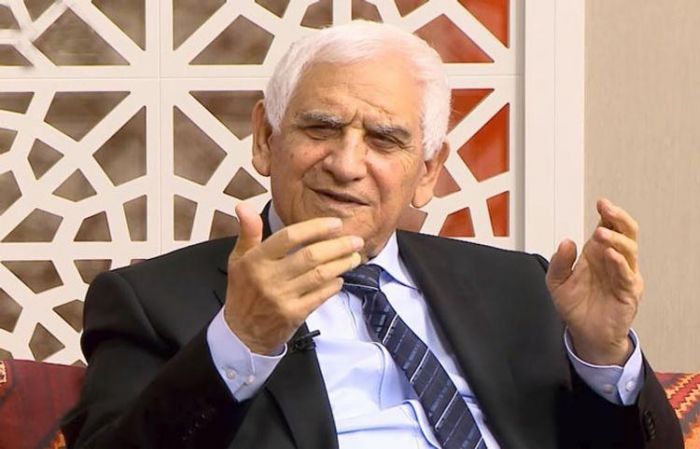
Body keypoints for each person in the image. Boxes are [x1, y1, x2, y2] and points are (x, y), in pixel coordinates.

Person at [62, 21, 682, 449]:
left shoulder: (518, 285)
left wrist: (603, 355)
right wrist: (240, 339)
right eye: (321, 128)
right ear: (266, 139)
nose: (347, 164)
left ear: (428, 171)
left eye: (384, 139)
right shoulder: (150, 302)